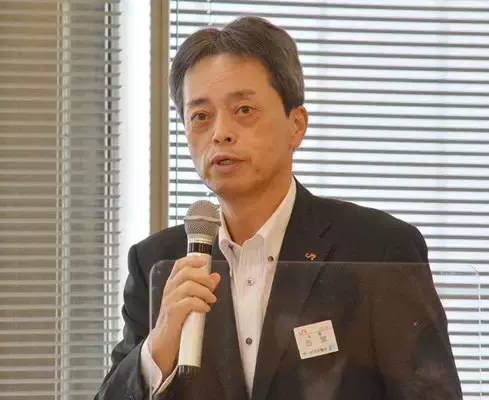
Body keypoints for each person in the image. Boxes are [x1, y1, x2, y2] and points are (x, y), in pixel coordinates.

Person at [95, 16, 462, 400]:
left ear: (296, 125)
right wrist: (157, 349)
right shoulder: (157, 263)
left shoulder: (377, 250)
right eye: (200, 116)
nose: (220, 133)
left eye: (244, 110)